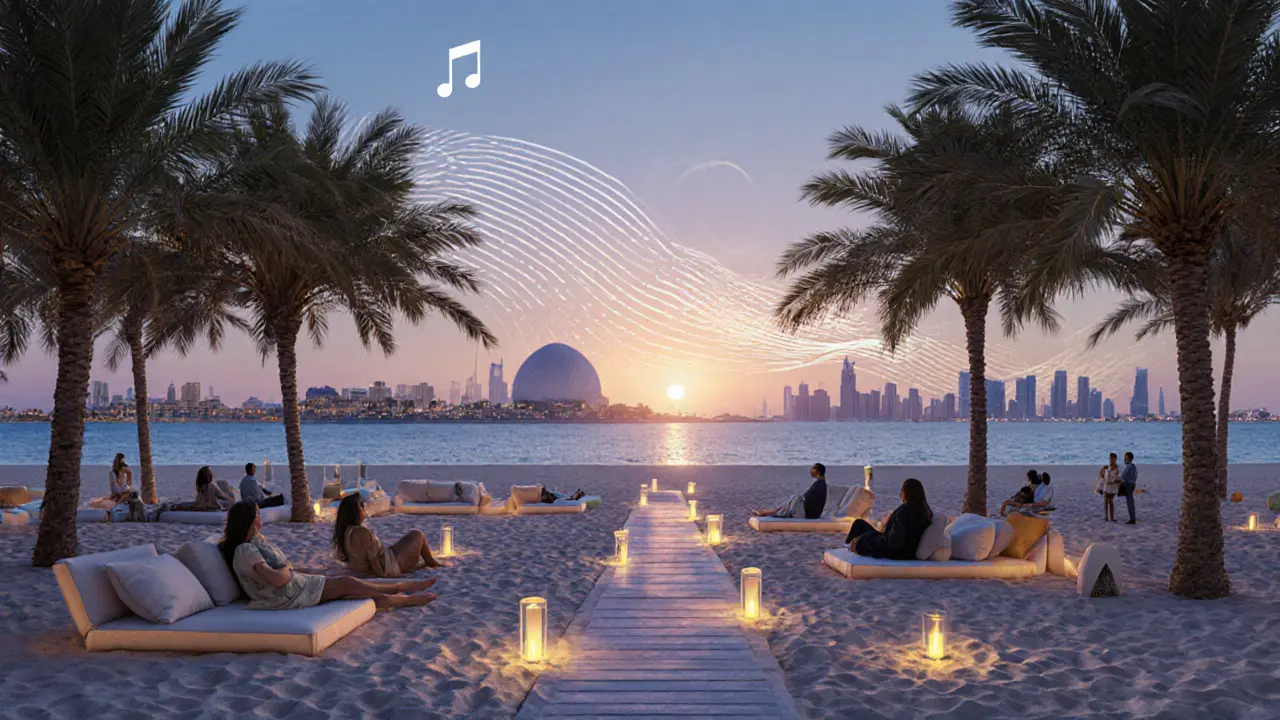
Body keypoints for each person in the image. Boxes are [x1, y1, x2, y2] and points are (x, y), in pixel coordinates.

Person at [219, 501, 437, 611]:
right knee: (346, 584)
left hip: (290, 588)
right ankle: (400, 597)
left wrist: (295, 570)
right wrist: (286, 568)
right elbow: (279, 578)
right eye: (257, 513)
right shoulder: (245, 550)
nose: (260, 516)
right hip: (288, 594)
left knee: (346, 585)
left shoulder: (252, 543)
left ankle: (400, 589)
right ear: (248, 520)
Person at [333, 493, 445, 577]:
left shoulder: (346, 531)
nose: (364, 509)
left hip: (386, 557)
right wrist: (383, 576)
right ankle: (430, 561)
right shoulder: (361, 532)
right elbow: (373, 560)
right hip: (389, 566)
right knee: (418, 535)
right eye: (362, 506)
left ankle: (427, 561)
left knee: (412, 535)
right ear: (355, 511)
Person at [844, 477, 932, 559]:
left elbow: (894, 542)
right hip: (896, 544)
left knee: (862, 540)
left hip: (894, 550)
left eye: (902, 491)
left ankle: (850, 546)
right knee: (859, 524)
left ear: (906, 493)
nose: (900, 494)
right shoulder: (925, 511)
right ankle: (848, 546)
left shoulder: (905, 511)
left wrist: (873, 539)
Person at [753, 463, 828, 520]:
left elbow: (805, 497)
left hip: (810, 514)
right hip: (812, 512)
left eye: (813, 469)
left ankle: (770, 512)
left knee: (795, 497)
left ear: (818, 471)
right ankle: (772, 511)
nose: (811, 470)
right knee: (793, 499)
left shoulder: (819, 484)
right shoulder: (821, 483)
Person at [170, 466, 236, 512]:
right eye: (210, 473)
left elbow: (199, 503)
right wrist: (232, 501)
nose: (212, 474)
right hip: (206, 507)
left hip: (202, 506)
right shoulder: (210, 486)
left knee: (182, 505)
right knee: (183, 505)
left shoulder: (203, 486)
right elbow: (222, 496)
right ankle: (173, 506)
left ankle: (172, 506)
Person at [1095, 454, 1121, 522]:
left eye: (1112, 459)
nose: (1111, 460)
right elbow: (1102, 475)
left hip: (1112, 486)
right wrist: (1103, 469)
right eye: (1110, 458)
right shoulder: (1107, 467)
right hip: (1106, 486)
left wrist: (1113, 481)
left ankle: (1112, 517)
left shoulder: (1117, 467)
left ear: (1115, 459)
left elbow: (1117, 477)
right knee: (1106, 502)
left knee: (1111, 502)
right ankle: (1106, 516)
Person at [1120, 451, 1138, 524]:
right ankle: (1132, 517)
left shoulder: (1130, 466)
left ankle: (1132, 518)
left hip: (1129, 485)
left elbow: (1124, 476)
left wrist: (1122, 480)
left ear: (1130, 458)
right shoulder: (1132, 466)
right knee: (1130, 501)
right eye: (1125, 457)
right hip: (1131, 484)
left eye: (1126, 458)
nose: (1125, 459)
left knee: (1130, 502)